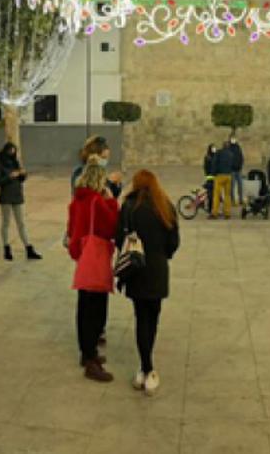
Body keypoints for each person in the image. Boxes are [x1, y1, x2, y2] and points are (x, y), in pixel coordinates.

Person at [118, 170, 180, 396]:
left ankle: (144, 369)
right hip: (157, 269)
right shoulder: (165, 206)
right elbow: (174, 242)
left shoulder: (128, 207)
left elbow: (119, 239)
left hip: (135, 270)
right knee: (152, 318)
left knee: (140, 317)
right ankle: (148, 368)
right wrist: (162, 255)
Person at [68, 155, 120, 381]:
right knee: (96, 308)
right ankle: (90, 358)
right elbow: (111, 227)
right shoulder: (97, 201)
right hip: (96, 256)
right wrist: (111, 201)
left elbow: (71, 228)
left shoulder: (76, 200)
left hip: (83, 255)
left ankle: (86, 352)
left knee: (84, 305)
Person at [0, 142, 41, 261]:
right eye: (10, 151)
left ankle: (28, 247)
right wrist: (10, 176)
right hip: (6, 196)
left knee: (21, 223)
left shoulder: (15, 162)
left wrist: (23, 175)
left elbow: (21, 179)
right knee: (6, 223)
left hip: (17, 195)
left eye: (14, 151)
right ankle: (6, 247)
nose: (12, 154)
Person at [210, 140, 234, 219]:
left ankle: (215, 213)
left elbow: (214, 163)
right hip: (228, 176)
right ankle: (227, 213)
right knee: (227, 195)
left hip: (220, 175)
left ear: (222, 146)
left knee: (216, 195)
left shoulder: (219, 153)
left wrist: (213, 173)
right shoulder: (231, 154)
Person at [228, 136, 245, 211]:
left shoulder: (238, 147)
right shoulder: (229, 148)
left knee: (240, 185)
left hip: (238, 170)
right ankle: (232, 200)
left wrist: (240, 165)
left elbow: (241, 157)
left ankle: (241, 199)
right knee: (232, 186)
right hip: (232, 170)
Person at [202, 143, 217, 214]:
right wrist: (209, 174)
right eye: (213, 148)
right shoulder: (207, 157)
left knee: (214, 194)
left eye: (214, 147)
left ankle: (213, 208)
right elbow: (205, 167)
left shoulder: (216, 156)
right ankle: (210, 208)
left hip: (215, 177)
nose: (214, 149)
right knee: (210, 194)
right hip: (210, 177)